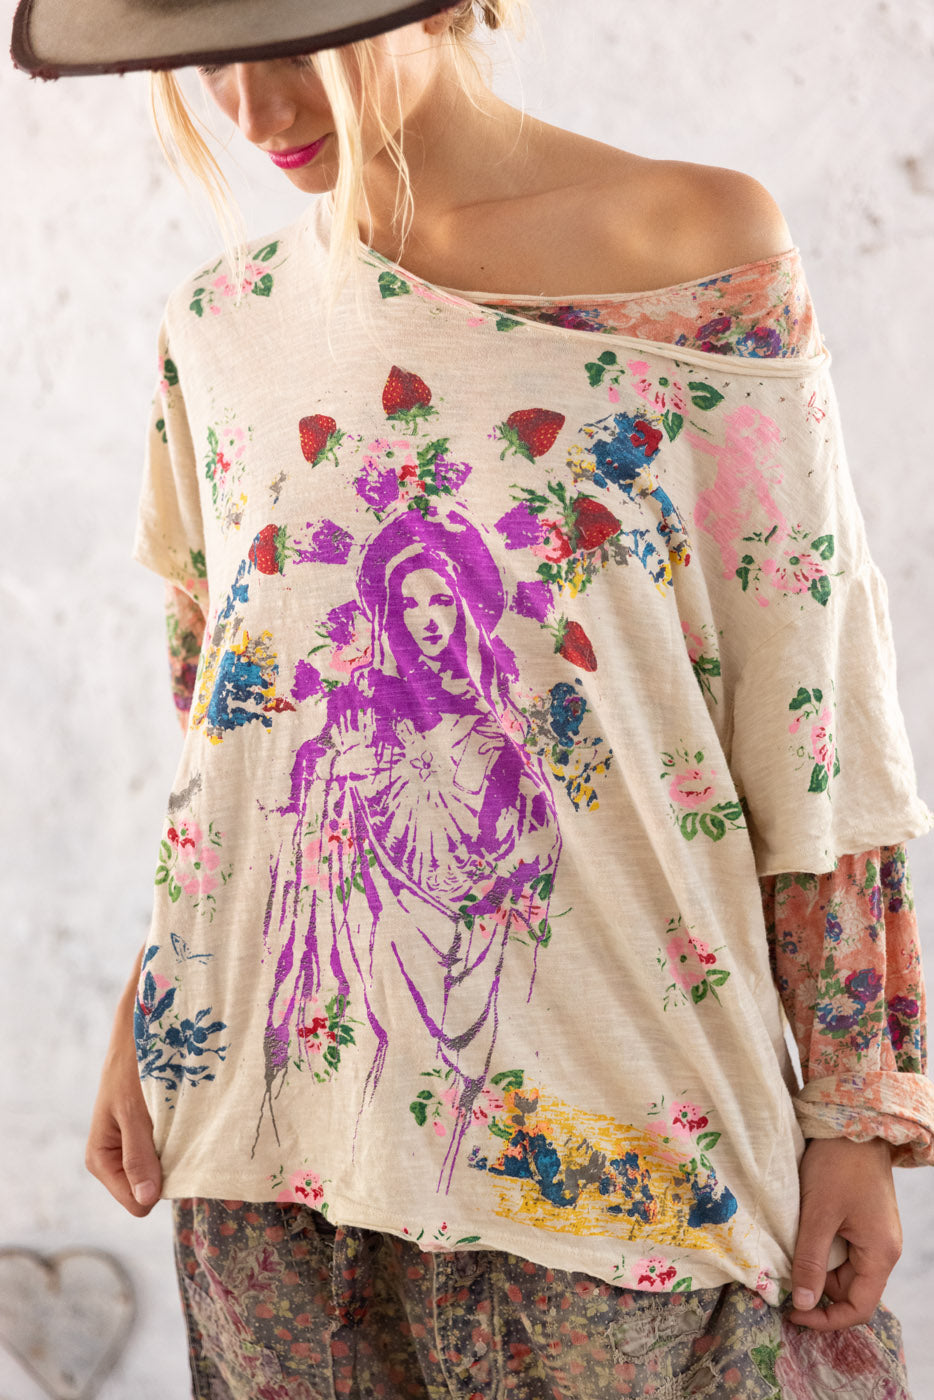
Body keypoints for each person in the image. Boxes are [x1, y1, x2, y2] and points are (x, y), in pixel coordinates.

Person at [13, 2, 934, 1396]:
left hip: (625, 1139)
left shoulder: (696, 253)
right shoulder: (222, 328)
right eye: (212, 59)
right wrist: (158, 998)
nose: (253, 113)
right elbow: (228, 734)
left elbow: (815, 706)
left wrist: (856, 1104)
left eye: (290, 44)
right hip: (272, 1145)